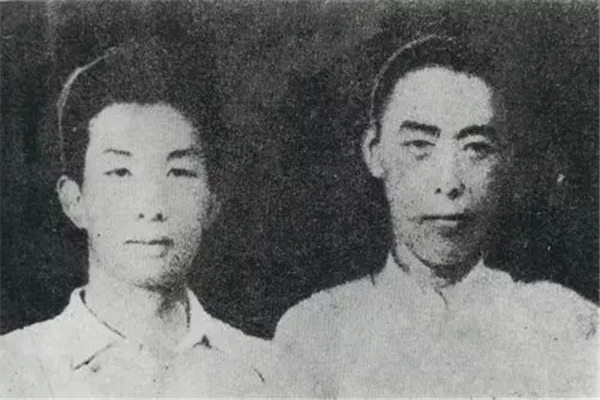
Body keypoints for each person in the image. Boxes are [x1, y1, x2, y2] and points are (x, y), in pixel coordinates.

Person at [273, 35, 598, 397]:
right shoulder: (316, 332)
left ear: (505, 159)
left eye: (476, 148)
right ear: (375, 152)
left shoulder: (567, 326)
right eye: (420, 146)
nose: (449, 183)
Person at [0, 39, 272, 398]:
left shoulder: (269, 374)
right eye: (120, 172)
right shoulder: (14, 369)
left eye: (178, 172)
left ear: (212, 201)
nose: (151, 206)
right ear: (74, 200)